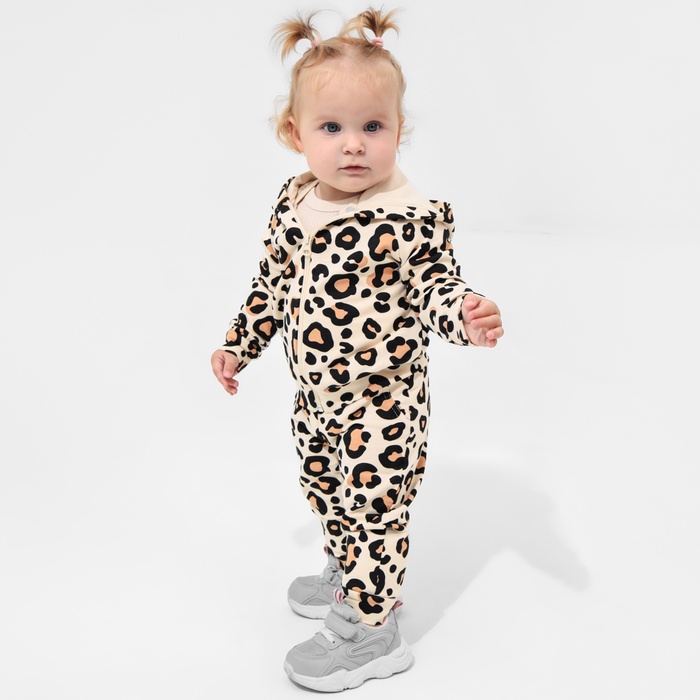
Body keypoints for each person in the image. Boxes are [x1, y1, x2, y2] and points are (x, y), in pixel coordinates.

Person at [211, 8, 503, 692]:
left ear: (399, 130)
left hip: (383, 402)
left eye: (373, 127)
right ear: (295, 134)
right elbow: (272, 285)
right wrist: (238, 345)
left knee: (374, 505)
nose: (353, 146)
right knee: (326, 488)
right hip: (315, 397)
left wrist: (465, 315)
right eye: (331, 128)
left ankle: (373, 630)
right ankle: (349, 569)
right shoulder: (295, 204)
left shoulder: (407, 218)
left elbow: (435, 286)